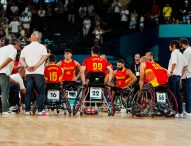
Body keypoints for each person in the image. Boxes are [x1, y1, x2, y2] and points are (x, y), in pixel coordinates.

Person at [20, 31, 48, 116]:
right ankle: (40, 111)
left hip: (29, 73)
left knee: (28, 92)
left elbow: (21, 59)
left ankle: (27, 111)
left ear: (31, 39)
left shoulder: (26, 47)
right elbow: (44, 58)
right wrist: (35, 66)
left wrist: (26, 67)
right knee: (40, 92)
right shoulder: (42, 47)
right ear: (38, 38)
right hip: (38, 73)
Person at [0, 39, 20, 115]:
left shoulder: (2, 48)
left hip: (2, 73)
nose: (19, 47)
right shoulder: (13, 50)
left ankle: (6, 108)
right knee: (4, 92)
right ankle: (5, 110)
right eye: (18, 45)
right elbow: (8, 59)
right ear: (16, 44)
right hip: (4, 72)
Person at [168, 40, 187, 118]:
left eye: (170, 45)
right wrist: (181, 74)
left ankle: (174, 111)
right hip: (178, 77)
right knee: (178, 95)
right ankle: (180, 112)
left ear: (174, 45)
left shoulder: (174, 53)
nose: (169, 47)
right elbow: (186, 65)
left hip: (173, 76)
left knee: (173, 94)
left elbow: (174, 63)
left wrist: (171, 72)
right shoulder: (181, 54)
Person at [180, 38, 191, 116]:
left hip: (187, 75)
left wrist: (181, 75)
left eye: (181, 45)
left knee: (187, 94)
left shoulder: (186, 52)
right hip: (190, 74)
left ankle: (188, 111)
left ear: (183, 44)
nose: (181, 46)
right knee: (189, 93)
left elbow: (185, 65)